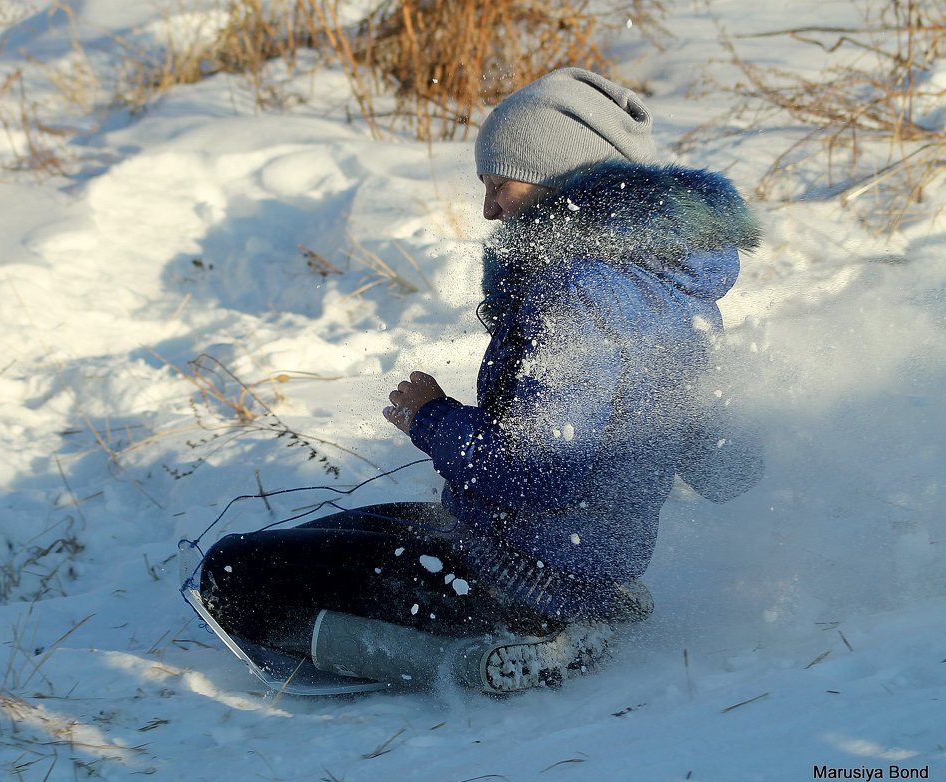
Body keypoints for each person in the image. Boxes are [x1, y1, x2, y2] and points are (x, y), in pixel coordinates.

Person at [197, 67, 763, 693]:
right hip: (566, 560)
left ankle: (480, 660)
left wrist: (430, 416)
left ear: (558, 177)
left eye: (500, 185)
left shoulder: (575, 296)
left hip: (512, 573)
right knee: (321, 538)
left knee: (232, 571)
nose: (489, 208)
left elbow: (541, 468)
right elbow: (729, 469)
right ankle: (596, 608)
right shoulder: (673, 290)